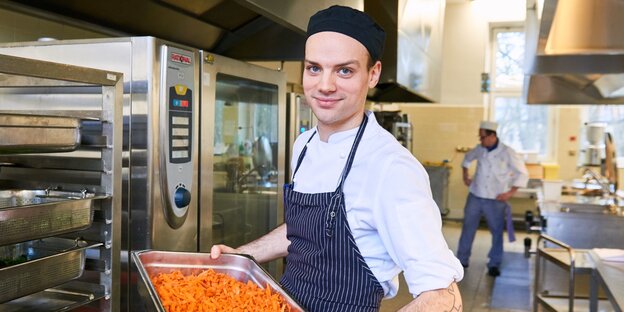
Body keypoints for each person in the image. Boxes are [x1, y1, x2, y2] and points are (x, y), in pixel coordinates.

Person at [211, 5, 463, 311]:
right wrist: (241, 257)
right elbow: (302, 232)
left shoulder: (391, 167)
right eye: (314, 68)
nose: (325, 85)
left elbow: (443, 295)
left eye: (344, 70)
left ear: (373, 74)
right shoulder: (304, 144)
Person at [456, 121, 529, 277]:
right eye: (480, 137)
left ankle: (494, 263)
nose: (480, 140)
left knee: (496, 232)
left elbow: (522, 174)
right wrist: (465, 176)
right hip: (475, 195)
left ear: (492, 136)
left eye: (482, 137)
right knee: (468, 228)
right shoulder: (480, 149)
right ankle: (462, 261)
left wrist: (510, 193)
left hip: (496, 199)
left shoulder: (507, 152)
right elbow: (467, 159)